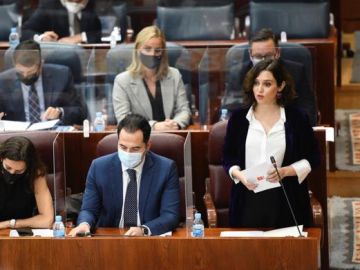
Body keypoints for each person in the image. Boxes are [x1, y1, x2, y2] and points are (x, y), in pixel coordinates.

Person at [223, 59, 320, 228]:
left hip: (286, 197)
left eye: (267, 84)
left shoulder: (297, 118)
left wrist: (286, 171)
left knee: (286, 252)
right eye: (256, 83)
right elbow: (228, 157)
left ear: (280, 86)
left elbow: (313, 157)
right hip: (247, 196)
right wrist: (240, 175)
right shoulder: (238, 119)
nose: (259, 90)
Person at [69, 114, 180, 236]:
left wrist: (143, 230)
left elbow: (170, 215)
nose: (128, 153)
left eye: (135, 149)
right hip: (109, 239)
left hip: (148, 241)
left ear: (148, 146)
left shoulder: (166, 169)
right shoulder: (99, 167)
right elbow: (89, 209)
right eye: (123, 147)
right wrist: (85, 224)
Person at [223, 28, 318, 126]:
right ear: (250, 54)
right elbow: (229, 109)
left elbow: (308, 109)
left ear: (277, 53)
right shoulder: (238, 73)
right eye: (258, 56)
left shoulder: (296, 71)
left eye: (268, 56)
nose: (263, 61)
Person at [112, 26, 191, 130]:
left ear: (163, 52)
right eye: (147, 49)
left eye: (157, 50)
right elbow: (124, 119)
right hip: (139, 139)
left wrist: (176, 124)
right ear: (137, 50)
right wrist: (155, 126)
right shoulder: (122, 81)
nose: (152, 54)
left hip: (171, 135)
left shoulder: (174, 75)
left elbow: (184, 110)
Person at [0, 40, 87, 125]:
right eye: (20, 73)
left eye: (31, 73)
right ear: (14, 65)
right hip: (18, 136)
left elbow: (80, 112)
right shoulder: (3, 81)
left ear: (41, 65)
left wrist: (60, 112)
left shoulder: (62, 75)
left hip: (52, 133)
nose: (25, 76)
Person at [0, 136, 54, 229]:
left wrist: (8, 224)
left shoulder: (35, 173)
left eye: (19, 171)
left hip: (22, 231)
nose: (12, 173)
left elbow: (47, 220)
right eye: (8, 168)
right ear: (1, 158)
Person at [21, 0, 101, 44]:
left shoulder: (96, 4)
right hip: (59, 54)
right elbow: (25, 31)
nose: (74, 2)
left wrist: (81, 37)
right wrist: (42, 37)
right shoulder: (49, 5)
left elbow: (105, 33)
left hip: (90, 55)